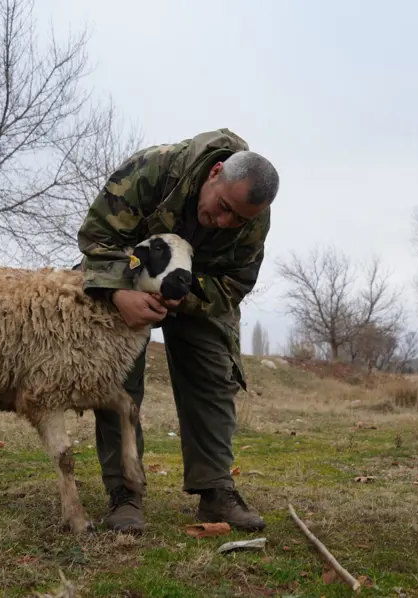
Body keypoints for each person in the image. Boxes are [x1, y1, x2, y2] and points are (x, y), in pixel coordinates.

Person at [75, 128, 278, 534]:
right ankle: (125, 493)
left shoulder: (253, 219)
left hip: (194, 292)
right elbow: (97, 239)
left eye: (237, 219)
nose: (224, 222)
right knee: (118, 384)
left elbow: (235, 284)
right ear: (215, 172)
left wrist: (183, 298)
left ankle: (215, 491)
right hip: (127, 282)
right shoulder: (152, 170)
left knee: (213, 375)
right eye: (222, 207)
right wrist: (118, 294)